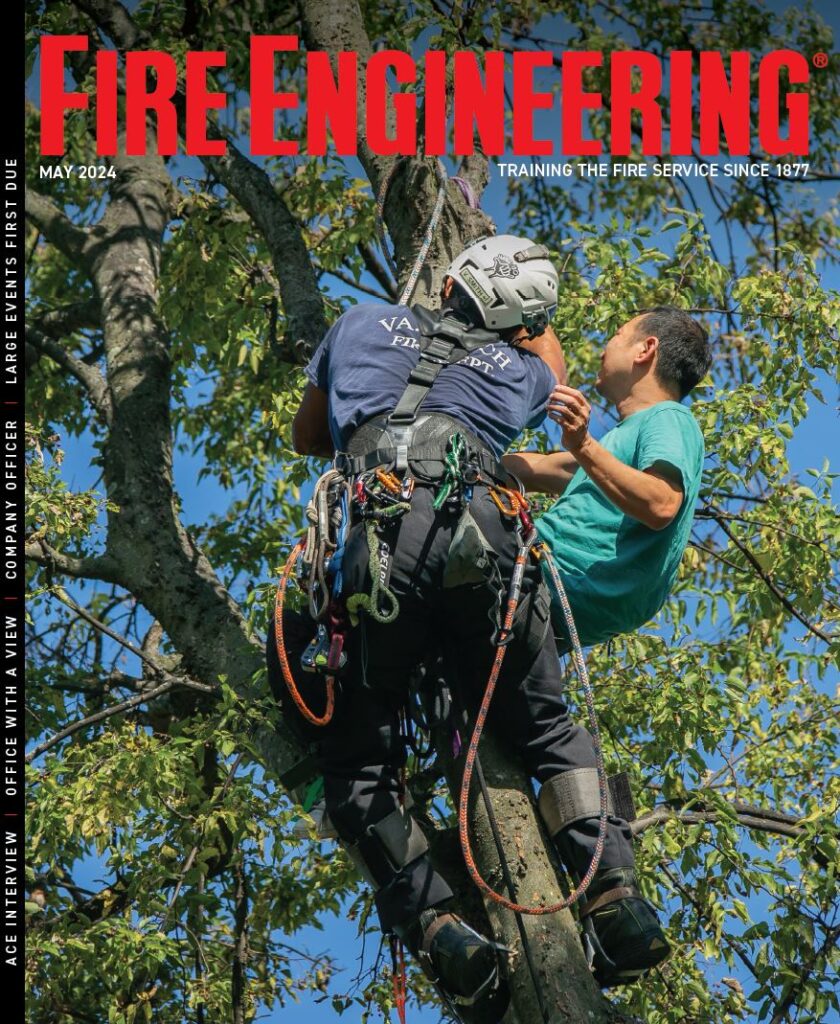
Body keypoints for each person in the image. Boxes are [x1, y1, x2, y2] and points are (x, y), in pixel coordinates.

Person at [267, 237, 669, 1022]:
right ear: (527, 324)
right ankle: (616, 900)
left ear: (451, 281)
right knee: (548, 726)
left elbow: (307, 438)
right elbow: (550, 362)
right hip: (487, 545)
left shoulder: (359, 323)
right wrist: (528, 331)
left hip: (378, 545)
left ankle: (443, 929)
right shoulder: (523, 371)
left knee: (357, 755)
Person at [504, 306, 710, 653]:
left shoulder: (668, 417)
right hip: (557, 597)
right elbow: (531, 468)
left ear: (646, 350)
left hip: (556, 575)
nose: (604, 348)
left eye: (615, 336)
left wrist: (583, 444)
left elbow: (660, 503)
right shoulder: (617, 449)